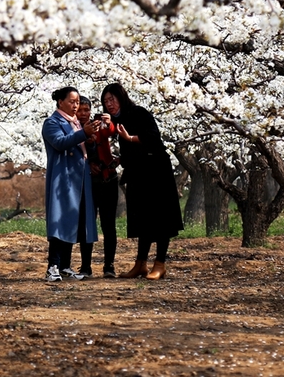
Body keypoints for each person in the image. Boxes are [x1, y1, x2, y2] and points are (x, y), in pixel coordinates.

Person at [100, 83, 183, 280]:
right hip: (137, 173)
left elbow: (153, 137)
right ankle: (141, 264)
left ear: (121, 97)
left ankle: (160, 264)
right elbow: (129, 149)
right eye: (105, 101)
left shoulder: (138, 112)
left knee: (161, 218)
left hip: (156, 171)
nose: (109, 104)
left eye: (112, 99)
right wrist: (120, 159)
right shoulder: (118, 120)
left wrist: (129, 138)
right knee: (143, 218)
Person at [41, 87, 102, 283]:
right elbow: (60, 143)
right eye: (72, 101)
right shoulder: (52, 123)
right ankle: (53, 266)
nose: (76, 105)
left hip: (79, 179)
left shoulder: (74, 123)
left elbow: (81, 147)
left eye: (77, 102)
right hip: (63, 178)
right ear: (60, 102)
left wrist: (90, 138)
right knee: (60, 222)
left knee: (72, 222)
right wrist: (84, 132)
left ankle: (65, 266)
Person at [76, 96, 119, 278]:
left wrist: (109, 122)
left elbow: (110, 130)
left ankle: (109, 266)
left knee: (109, 225)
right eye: (80, 110)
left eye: (87, 110)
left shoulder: (97, 125)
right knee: (87, 224)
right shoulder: (74, 129)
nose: (84, 114)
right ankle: (86, 266)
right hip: (87, 183)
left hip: (107, 179)